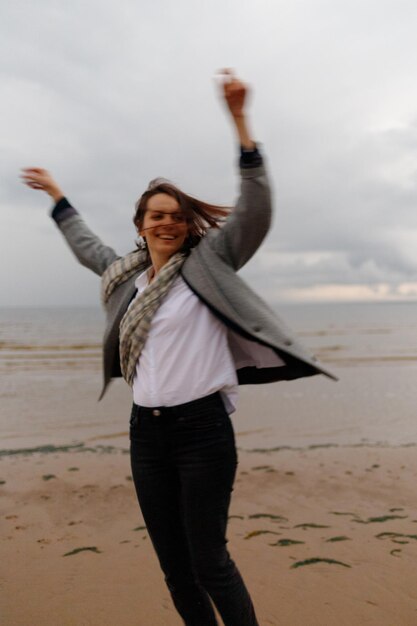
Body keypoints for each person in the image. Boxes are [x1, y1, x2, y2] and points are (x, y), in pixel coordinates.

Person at [22, 71, 335, 626]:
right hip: (146, 432)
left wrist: (240, 122)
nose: (166, 221)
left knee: (209, 560)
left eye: (175, 214)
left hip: (202, 431)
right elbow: (86, 245)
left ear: (189, 225)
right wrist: (57, 196)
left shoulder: (210, 265)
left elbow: (255, 208)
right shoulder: (126, 278)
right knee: (174, 567)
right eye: (155, 215)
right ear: (142, 226)